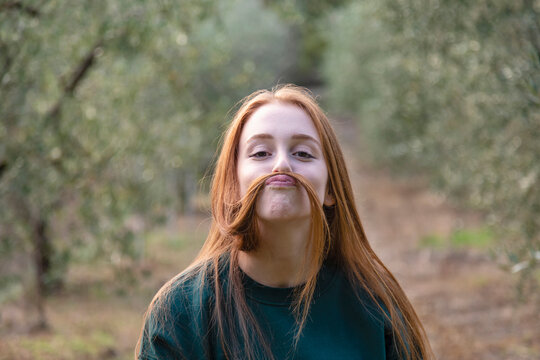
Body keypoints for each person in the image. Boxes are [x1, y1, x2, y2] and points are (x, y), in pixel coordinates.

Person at [136, 85, 433, 360]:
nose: (281, 165)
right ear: (232, 184)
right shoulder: (180, 312)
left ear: (331, 188)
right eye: (261, 153)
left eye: (303, 153)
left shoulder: (375, 304)